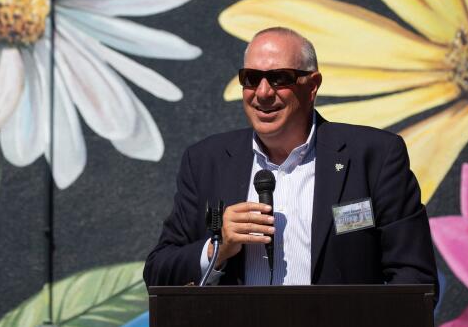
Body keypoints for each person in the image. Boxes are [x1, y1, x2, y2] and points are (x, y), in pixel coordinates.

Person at [143, 26, 438, 295]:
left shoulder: (373, 156)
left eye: (279, 78)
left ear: (312, 85)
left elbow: (415, 278)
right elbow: (158, 272)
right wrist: (217, 248)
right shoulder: (206, 161)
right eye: (251, 79)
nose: (262, 93)